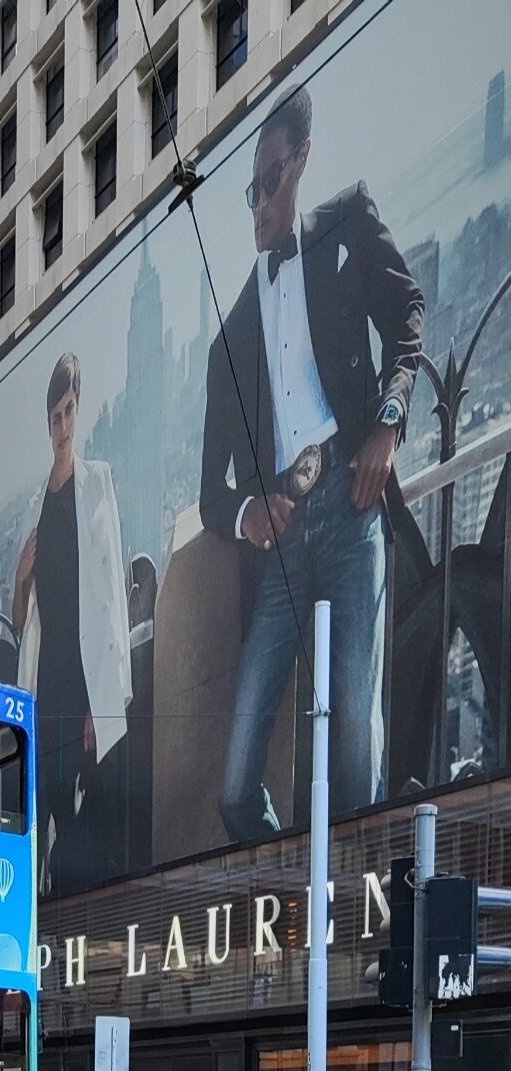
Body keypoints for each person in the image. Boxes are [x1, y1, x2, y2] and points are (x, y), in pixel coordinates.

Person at [199, 84, 424, 844]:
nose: (257, 202)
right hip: (283, 547)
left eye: (269, 180)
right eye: (250, 188)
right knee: (235, 780)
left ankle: (352, 915)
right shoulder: (229, 336)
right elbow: (209, 494)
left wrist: (389, 425)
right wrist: (245, 512)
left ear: (301, 163)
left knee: (358, 744)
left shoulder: (347, 225)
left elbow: (408, 323)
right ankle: (295, 882)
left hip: (354, 509)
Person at [12, 353, 132, 897]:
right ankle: (50, 902)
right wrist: (18, 581)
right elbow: (22, 626)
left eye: (68, 412)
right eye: (53, 417)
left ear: (79, 413)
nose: (62, 427)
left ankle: (77, 904)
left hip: (85, 679)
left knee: (85, 802)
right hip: (47, 683)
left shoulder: (100, 482)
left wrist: (102, 700)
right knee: (48, 799)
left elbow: (111, 597)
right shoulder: (36, 504)